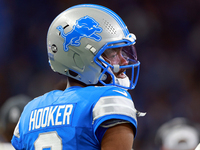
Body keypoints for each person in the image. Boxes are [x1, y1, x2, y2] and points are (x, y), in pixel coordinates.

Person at [11, 4, 145, 150]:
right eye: (113, 54)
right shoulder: (109, 100)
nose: (124, 61)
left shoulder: (30, 111)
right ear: (79, 59)